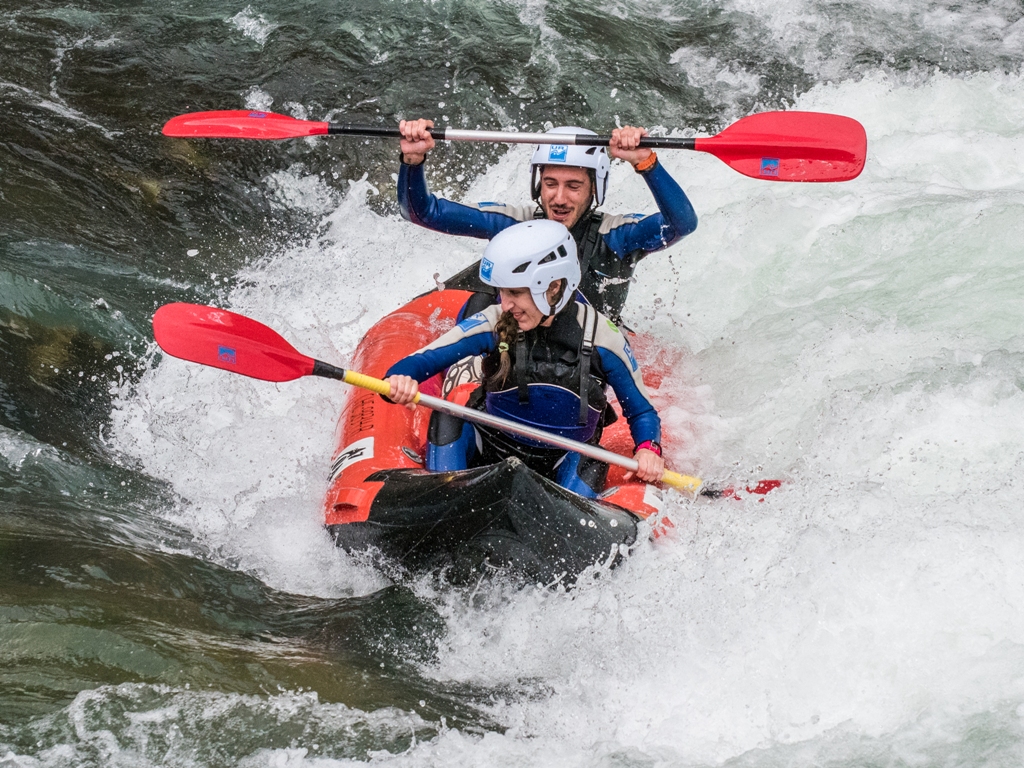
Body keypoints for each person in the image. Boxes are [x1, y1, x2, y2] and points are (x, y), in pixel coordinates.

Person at [384, 219, 665, 498]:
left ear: (554, 287)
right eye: (503, 292)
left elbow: (641, 411)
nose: (505, 304)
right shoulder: (495, 322)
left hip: (560, 462)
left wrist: (648, 449)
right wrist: (400, 380)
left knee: (593, 460)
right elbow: (420, 361)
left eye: (516, 293)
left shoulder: (603, 337)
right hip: (489, 447)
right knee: (447, 418)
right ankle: (444, 498)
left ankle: (567, 518)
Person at [396, 117, 698, 324]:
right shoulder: (514, 223)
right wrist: (413, 160)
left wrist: (646, 163)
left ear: (595, 188)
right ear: (538, 183)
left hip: (583, 355)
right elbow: (423, 213)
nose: (559, 198)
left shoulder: (616, 237)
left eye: (574, 186)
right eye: (551, 183)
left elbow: (682, 224)